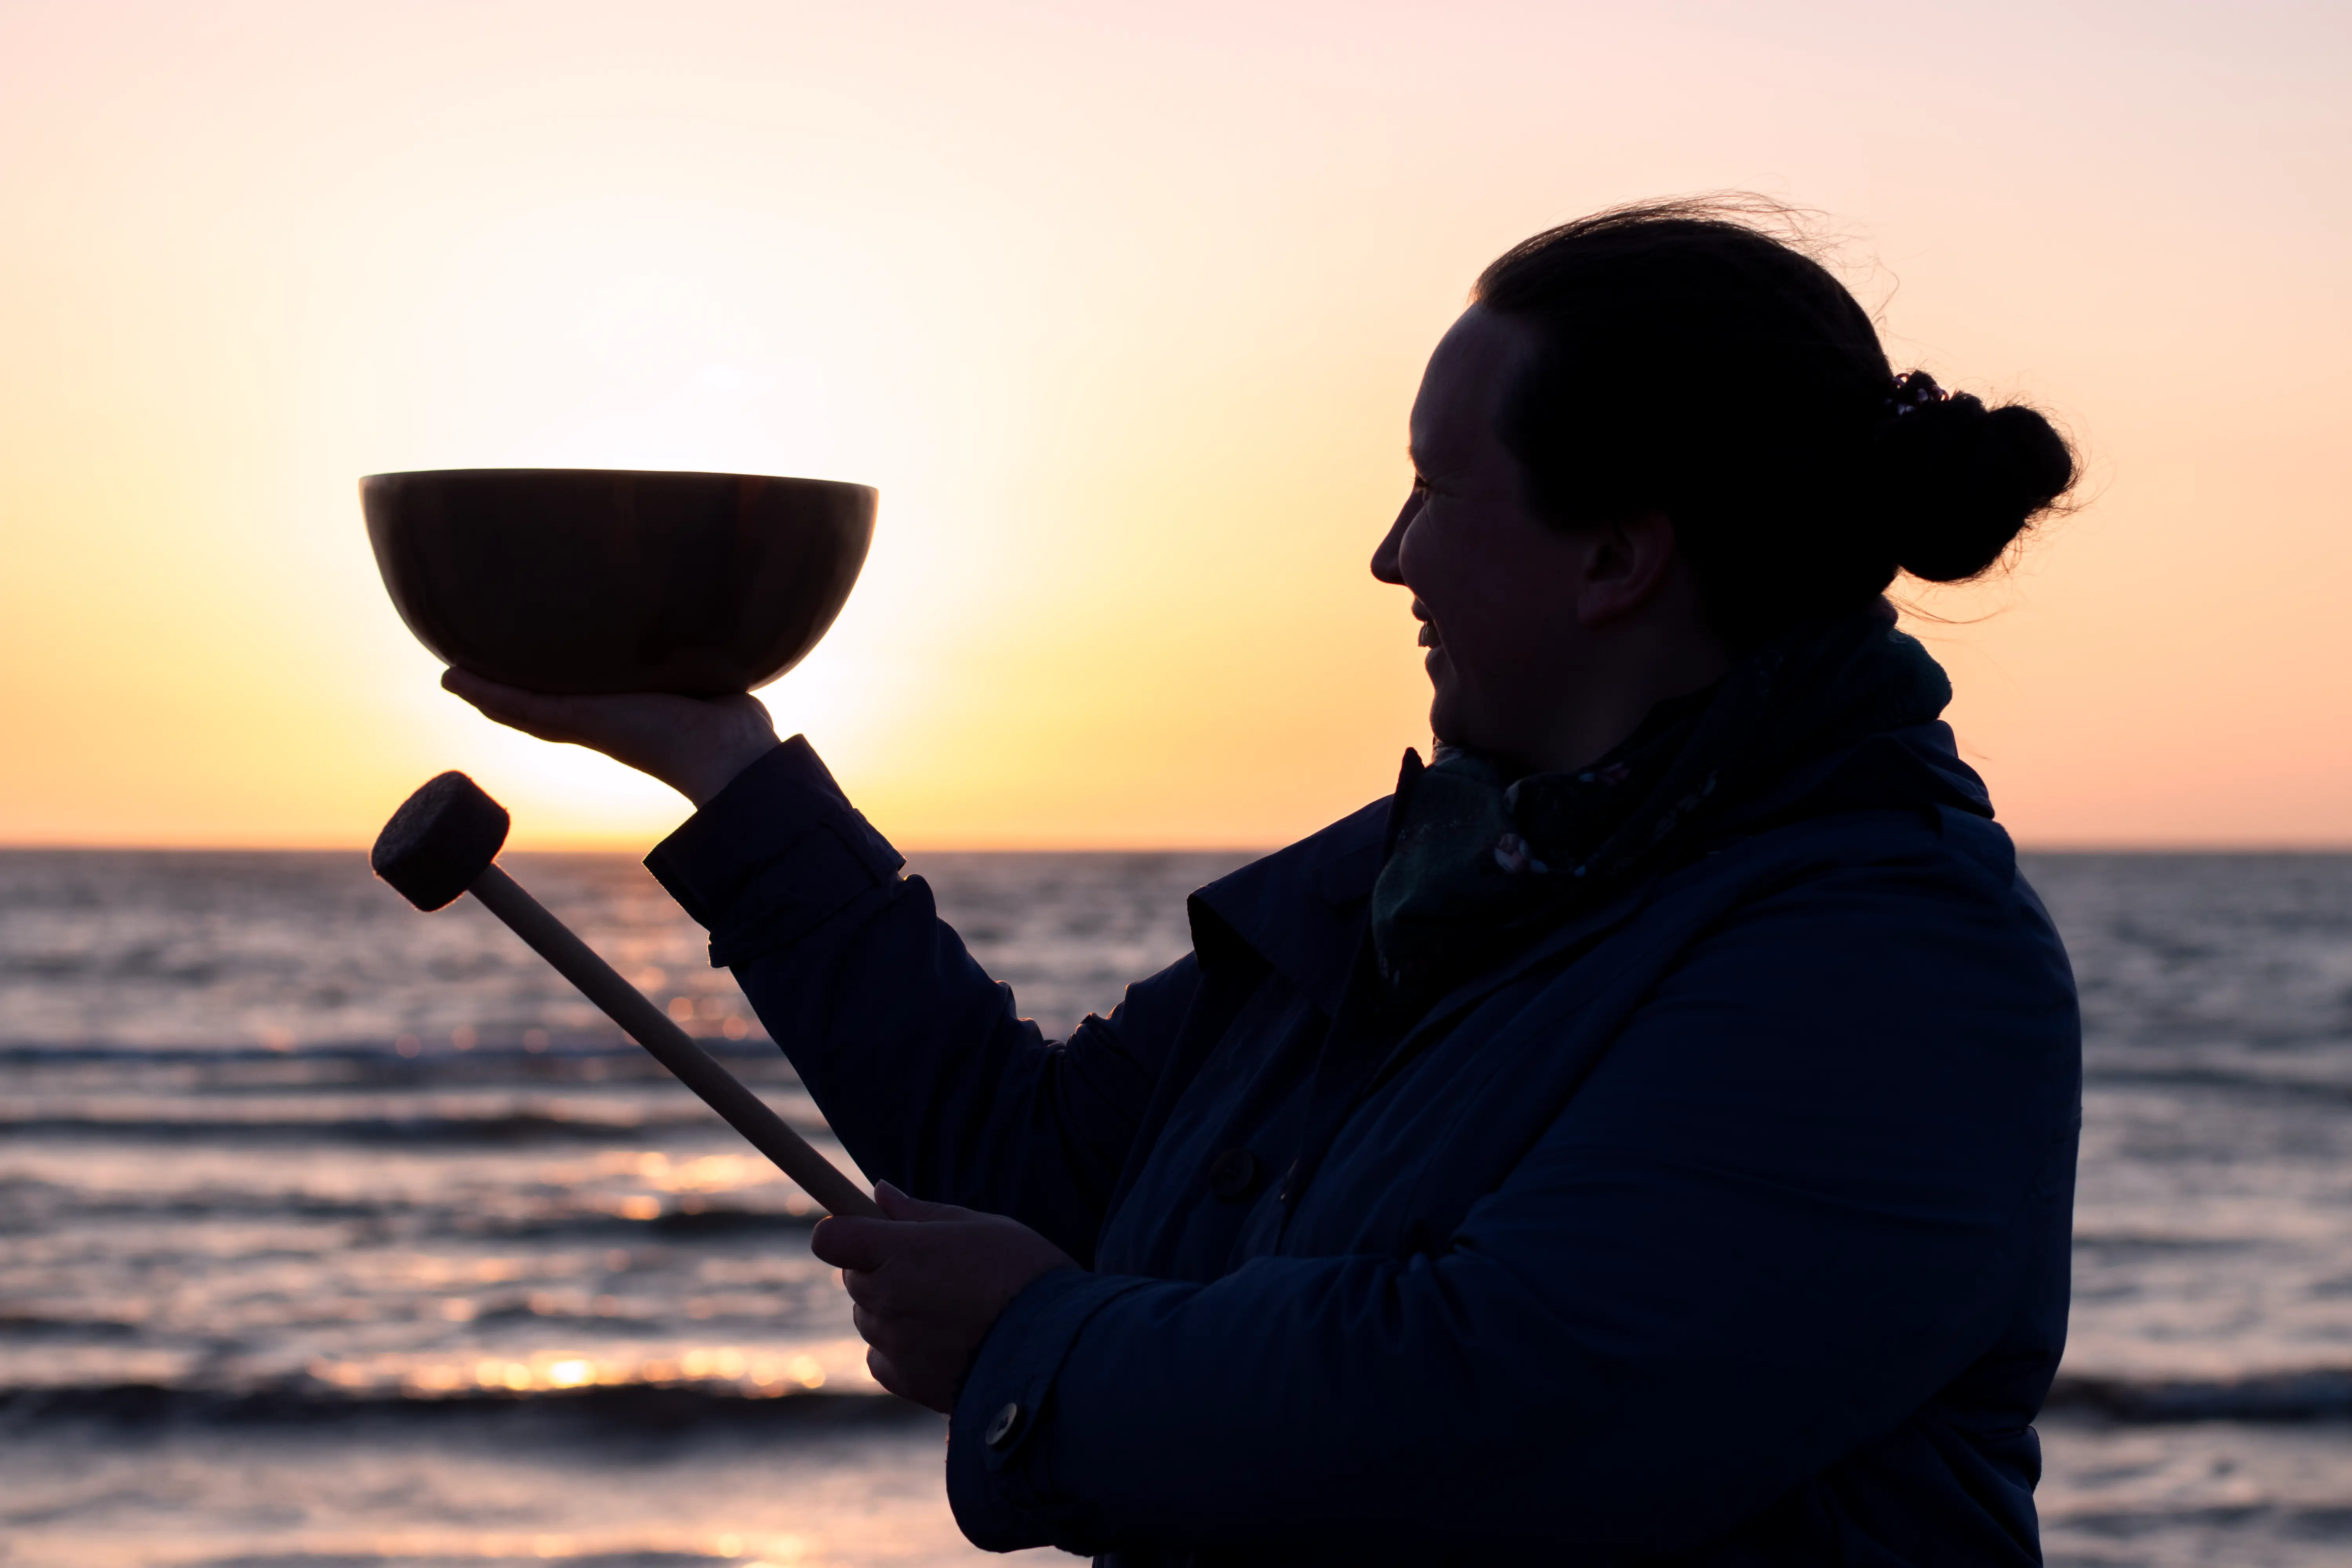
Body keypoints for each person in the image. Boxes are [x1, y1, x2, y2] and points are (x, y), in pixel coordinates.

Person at [449, 198, 2083, 1564]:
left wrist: (1038, 1352)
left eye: (1438, 489)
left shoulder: (1892, 963)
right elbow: (1035, 1170)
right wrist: (733, 775)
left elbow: (1499, 1411)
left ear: (1615, 556)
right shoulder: (1426, 880)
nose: (1393, 553)